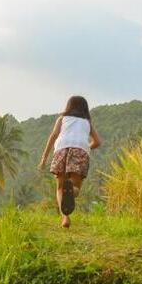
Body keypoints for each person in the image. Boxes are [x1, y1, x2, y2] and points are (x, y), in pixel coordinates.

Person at [38, 95, 101, 228]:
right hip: (80, 150)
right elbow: (97, 142)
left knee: (60, 187)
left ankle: (65, 218)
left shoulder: (62, 119)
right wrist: (85, 147)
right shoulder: (87, 122)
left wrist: (44, 158)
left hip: (61, 149)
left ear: (68, 106)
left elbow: (53, 136)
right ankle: (72, 189)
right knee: (76, 187)